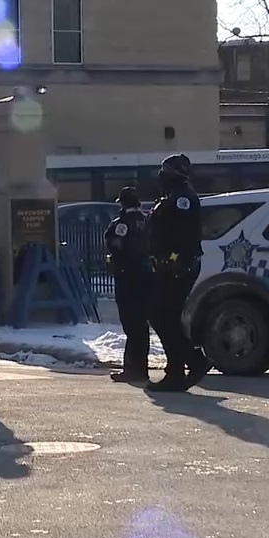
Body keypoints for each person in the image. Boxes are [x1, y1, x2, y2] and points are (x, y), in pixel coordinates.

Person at [146, 154, 212, 392]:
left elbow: (184, 236)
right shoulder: (172, 196)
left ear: (174, 173)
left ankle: (191, 362)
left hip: (178, 266)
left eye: (164, 170)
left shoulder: (182, 198)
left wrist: (176, 262)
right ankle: (177, 369)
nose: (160, 175)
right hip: (170, 264)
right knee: (164, 316)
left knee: (161, 315)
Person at [105, 187, 152, 383]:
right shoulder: (148, 221)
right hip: (147, 277)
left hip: (127, 278)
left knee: (131, 324)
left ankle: (133, 369)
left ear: (122, 204)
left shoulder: (121, 224)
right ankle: (142, 367)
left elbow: (116, 246)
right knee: (142, 325)